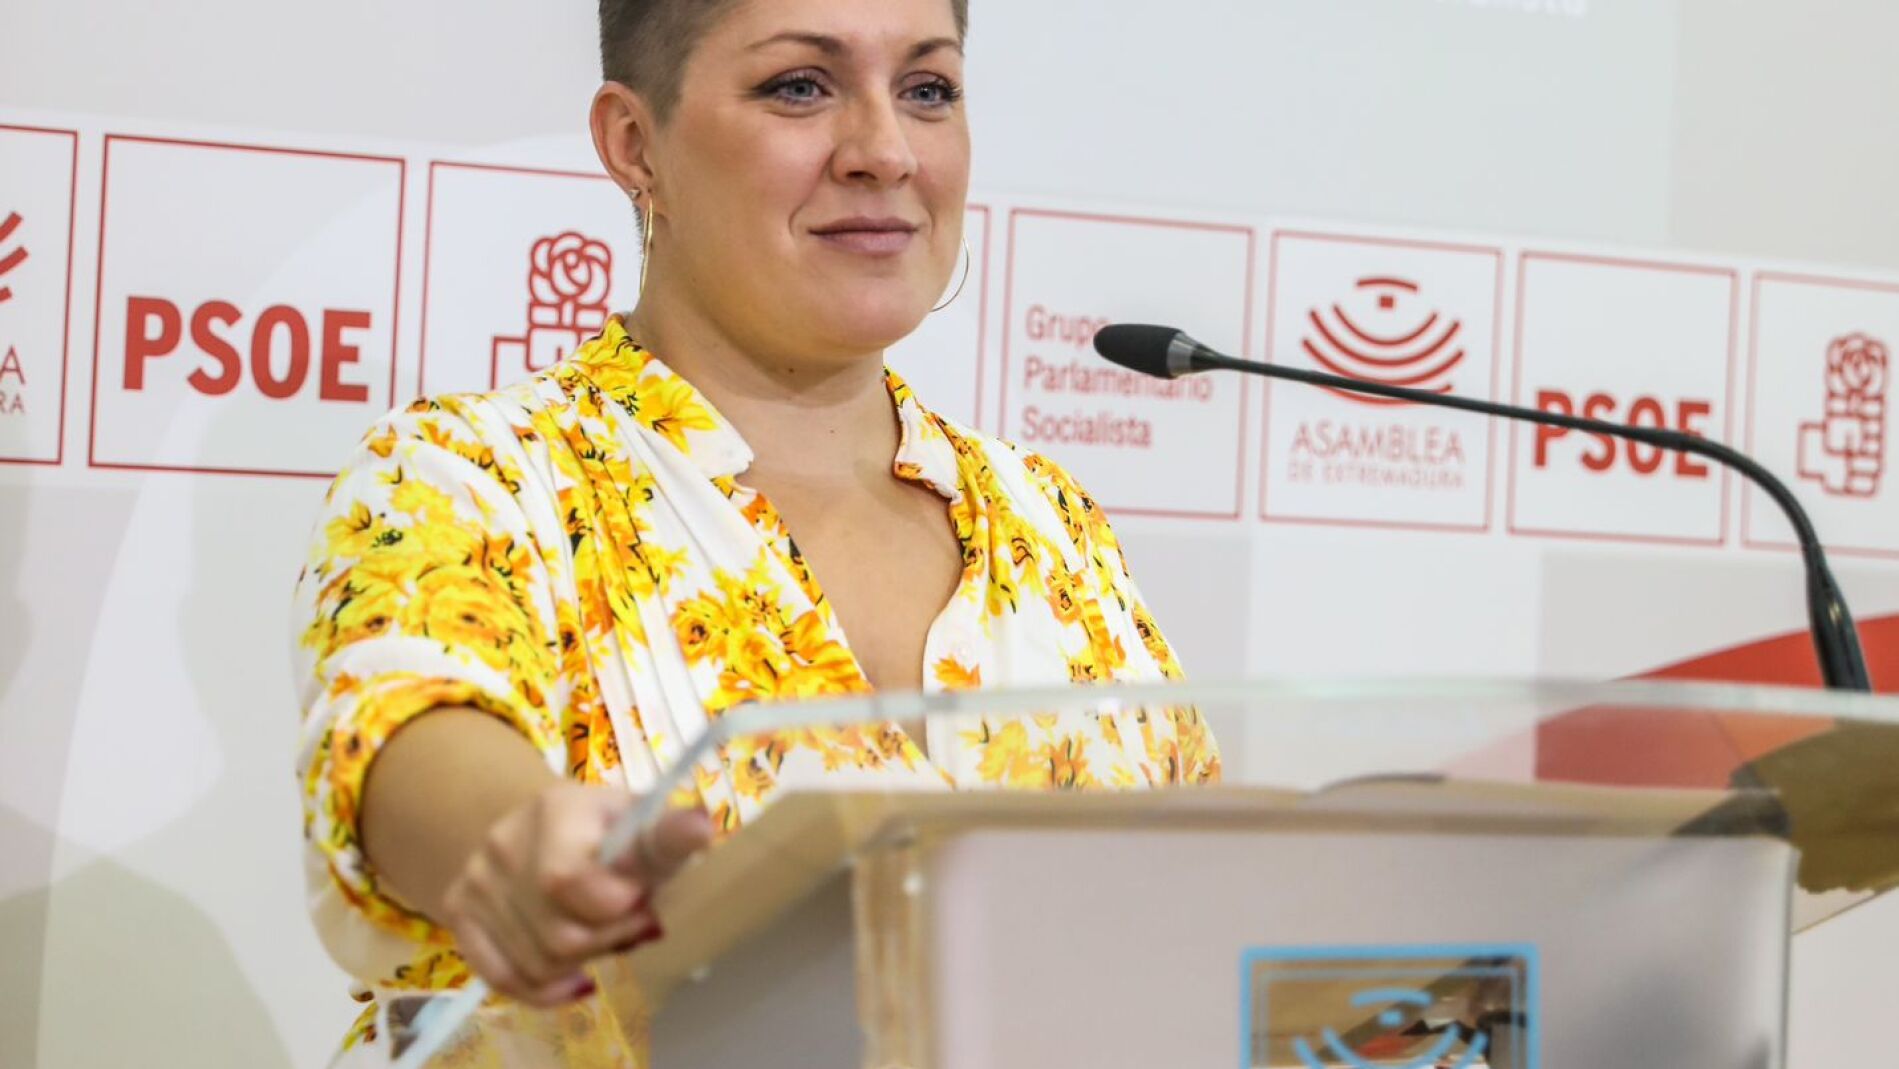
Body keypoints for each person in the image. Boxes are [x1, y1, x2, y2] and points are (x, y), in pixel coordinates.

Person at [290, 0, 1220, 1062]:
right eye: (800, 87)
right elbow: (406, 733)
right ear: (634, 143)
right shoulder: (476, 473)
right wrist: (518, 840)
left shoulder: (1049, 518)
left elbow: (1198, 914)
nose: (885, 151)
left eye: (927, 90)